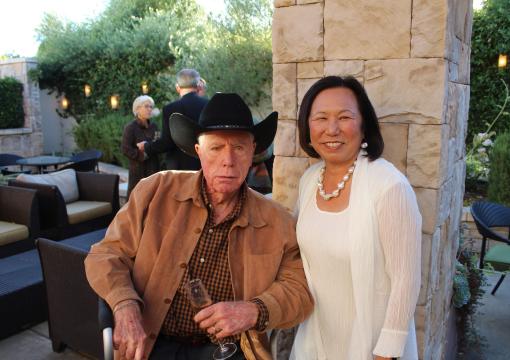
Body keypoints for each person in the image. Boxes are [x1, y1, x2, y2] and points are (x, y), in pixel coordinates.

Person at [85, 92, 314, 360]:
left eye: (239, 147)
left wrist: (253, 310)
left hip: (228, 351)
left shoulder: (277, 221)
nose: (228, 160)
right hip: (152, 342)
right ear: (198, 151)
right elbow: (106, 254)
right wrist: (124, 305)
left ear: (253, 152)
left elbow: (299, 289)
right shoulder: (154, 191)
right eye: (216, 147)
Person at [290, 76, 422, 360]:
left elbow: (406, 280)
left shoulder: (389, 186)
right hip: (315, 338)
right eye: (321, 118)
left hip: (370, 345)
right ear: (307, 127)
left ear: (364, 126)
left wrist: (387, 352)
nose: (332, 129)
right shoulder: (310, 180)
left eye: (344, 117)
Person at [138, 69, 208, 170]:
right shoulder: (208, 105)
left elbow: (167, 143)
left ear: (177, 87)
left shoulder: (170, 109)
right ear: (198, 85)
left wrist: (147, 146)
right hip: (204, 165)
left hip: (178, 168)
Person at [122, 95, 160, 199]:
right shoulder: (130, 127)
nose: (149, 109)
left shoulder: (154, 126)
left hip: (153, 168)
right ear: (137, 109)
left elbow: (158, 144)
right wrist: (142, 155)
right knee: (136, 200)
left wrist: (151, 147)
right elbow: (125, 149)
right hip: (138, 170)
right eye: (146, 106)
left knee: (154, 199)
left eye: (151, 107)